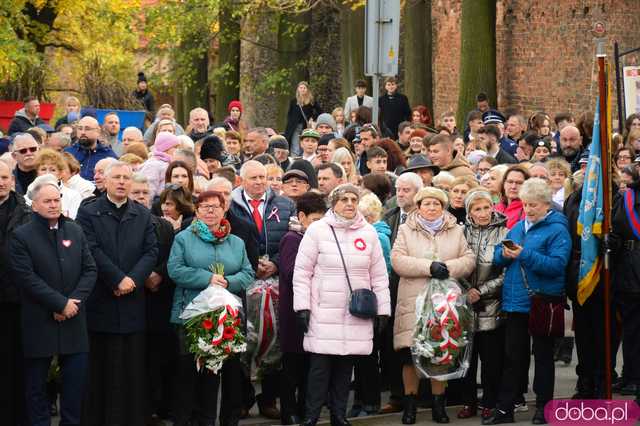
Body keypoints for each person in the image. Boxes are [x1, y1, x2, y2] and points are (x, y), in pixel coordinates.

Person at [294, 184, 391, 426]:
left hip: (356, 312)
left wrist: (383, 310)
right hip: (323, 309)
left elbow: (379, 276)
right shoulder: (317, 230)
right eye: (344, 199)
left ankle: (339, 415)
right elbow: (302, 272)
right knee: (319, 370)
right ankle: (311, 417)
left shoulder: (368, 233)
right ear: (333, 203)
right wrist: (302, 306)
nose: (349, 203)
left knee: (345, 369)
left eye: (353, 199)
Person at [77, 161, 158, 426]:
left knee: (132, 368)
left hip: (133, 301)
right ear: (106, 182)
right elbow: (90, 249)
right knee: (102, 368)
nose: (122, 182)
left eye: (127, 177)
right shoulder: (89, 212)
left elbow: (151, 251)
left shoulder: (142, 214)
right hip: (102, 299)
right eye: (117, 177)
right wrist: (117, 278)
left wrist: (132, 280)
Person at [10, 180, 97, 426]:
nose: (53, 205)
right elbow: (26, 278)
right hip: (40, 322)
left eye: (56, 200)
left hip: (74, 322)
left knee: (74, 388)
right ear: (34, 205)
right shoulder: (21, 236)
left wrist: (73, 304)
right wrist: (59, 304)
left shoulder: (75, 231)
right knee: (36, 388)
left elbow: (90, 270)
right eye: (47, 201)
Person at [486, 178, 571, 425]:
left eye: (533, 205)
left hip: (542, 301)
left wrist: (524, 254)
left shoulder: (557, 229)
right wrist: (503, 254)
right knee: (513, 359)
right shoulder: (518, 227)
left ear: (546, 205)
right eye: (524, 204)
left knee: (543, 357)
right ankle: (505, 410)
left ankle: (544, 408)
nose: (528, 209)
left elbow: (557, 266)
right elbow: (496, 259)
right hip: (515, 301)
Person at [168, 190, 254, 426]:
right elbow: (175, 270)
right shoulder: (183, 238)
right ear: (196, 211)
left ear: (224, 209)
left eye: (215, 206)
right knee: (189, 375)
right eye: (204, 206)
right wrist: (207, 278)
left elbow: (248, 272)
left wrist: (229, 282)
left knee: (217, 373)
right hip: (192, 315)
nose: (210, 211)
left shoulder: (236, 242)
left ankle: (214, 420)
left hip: (226, 317)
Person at [391, 186, 475, 424]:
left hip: (444, 303)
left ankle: (439, 406)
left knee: (441, 353)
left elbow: (468, 259)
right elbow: (397, 260)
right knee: (410, 355)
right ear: (418, 207)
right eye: (427, 203)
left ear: (443, 207)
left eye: (436, 204)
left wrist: (448, 269)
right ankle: (410, 406)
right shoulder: (407, 230)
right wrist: (428, 267)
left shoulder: (455, 230)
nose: (431, 208)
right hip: (414, 302)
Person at [229, 160, 295, 418]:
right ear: (241, 180)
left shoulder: (285, 204)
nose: (259, 182)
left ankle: (269, 399)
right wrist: (250, 265)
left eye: (263, 177)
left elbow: (290, 240)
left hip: (274, 281)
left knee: (274, 337)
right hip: (244, 280)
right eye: (253, 177)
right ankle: (243, 399)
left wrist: (276, 264)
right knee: (246, 338)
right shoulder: (232, 206)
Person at [458, 189, 508, 421]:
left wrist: (483, 291)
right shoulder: (460, 232)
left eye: (486, 207)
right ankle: (468, 401)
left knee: (491, 360)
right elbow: (454, 264)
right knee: (467, 358)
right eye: (477, 209)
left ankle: (489, 401)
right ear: (469, 212)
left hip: (492, 304)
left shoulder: (504, 232)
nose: (483, 213)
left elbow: (507, 272)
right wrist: (467, 289)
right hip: (466, 303)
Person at [278, 192, 327, 425]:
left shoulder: (323, 239)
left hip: (317, 309)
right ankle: (288, 411)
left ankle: (305, 408)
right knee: (292, 366)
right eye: (315, 220)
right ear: (302, 217)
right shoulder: (292, 239)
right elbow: (289, 272)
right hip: (294, 311)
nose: (320, 225)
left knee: (310, 366)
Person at [0, 159, 31, 425]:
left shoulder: (25, 211)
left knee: (15, 363)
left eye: (4, 177)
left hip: (17, 299)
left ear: (12, 180)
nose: (0, 182)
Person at [64, 116, 118, 181]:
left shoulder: (109, 156)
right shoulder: (67, 153)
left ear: (98, 131)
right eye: (80, 128)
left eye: (87, 129)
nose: (83, 132)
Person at [285, 81, 322, 156]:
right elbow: (289, 114)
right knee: (295, 145)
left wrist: (313, 118)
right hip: (294, 127)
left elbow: (320, 111)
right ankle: (295, 161)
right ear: (298, 89)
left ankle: (304, 159)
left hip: (305, 127)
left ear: (307, 89)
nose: (302, 89)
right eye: (301, 88)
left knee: (305, 144)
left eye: (304, 88)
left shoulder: (311, 101)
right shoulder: (294, 101)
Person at [138, 132, 180, 197]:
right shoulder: (154, 165)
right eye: (175, 147)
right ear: (165, 148)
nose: (178, 150)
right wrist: (147, 206)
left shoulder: (169, 163)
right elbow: (149, 188)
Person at [495, 165, 530, 229]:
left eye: (519, 183)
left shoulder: (529, 211)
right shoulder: (495, 208)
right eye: (510, 182)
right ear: (504, 184)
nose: (513, 187)